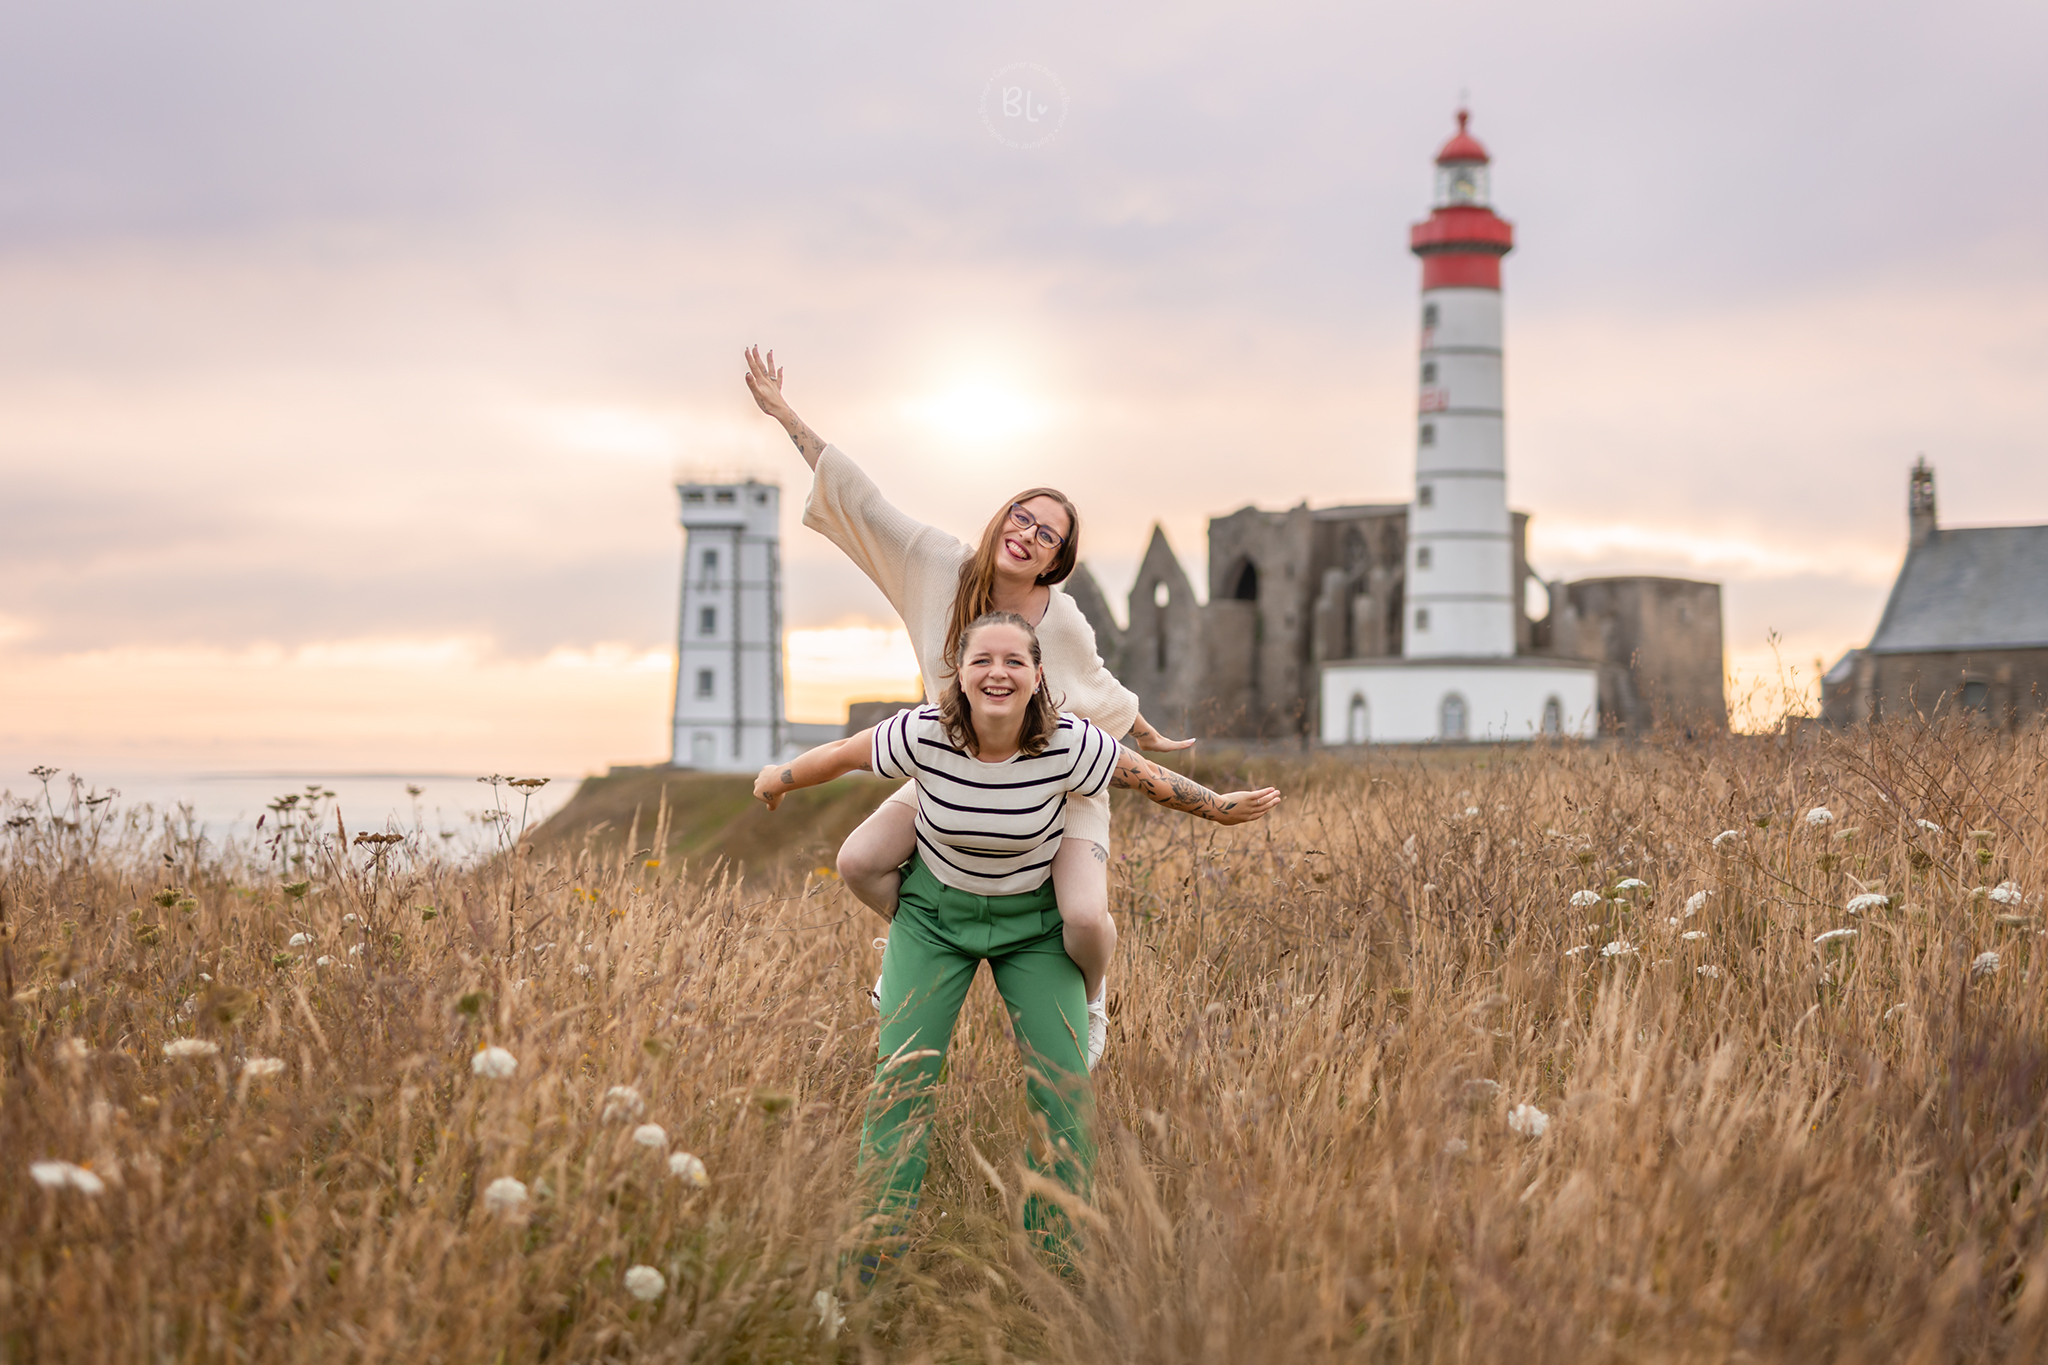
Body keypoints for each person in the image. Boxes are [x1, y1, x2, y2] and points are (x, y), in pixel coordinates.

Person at [753, 611, 1279, 1278]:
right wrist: (779, 777)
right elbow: (842, 754)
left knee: (1062, 1093)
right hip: (933, 919)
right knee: (901, 1082)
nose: (997, 672)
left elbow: (1149, 779)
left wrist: (1219, 806)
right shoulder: (924, 732)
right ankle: (870, 1264)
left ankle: (1055, 1272)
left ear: (1036, 677)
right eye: (982, 661)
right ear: (961, 674)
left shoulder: (1070, 742)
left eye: (1013, 662)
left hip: (1033, 928)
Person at [744, 345, 1191, 1068]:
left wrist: (1149, 732)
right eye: (1022, 515)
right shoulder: (935, 563)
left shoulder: (1063, 621)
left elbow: (1099, 689)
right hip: (955, 763)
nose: (1027, 533)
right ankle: (918, 943)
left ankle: (1090, 996)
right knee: (858, 859)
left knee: (1081, 916)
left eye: (1046, 534)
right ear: (1002, 517)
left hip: (1053, 772)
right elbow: (862, 499)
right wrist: (788, 416)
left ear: (1055, 560)